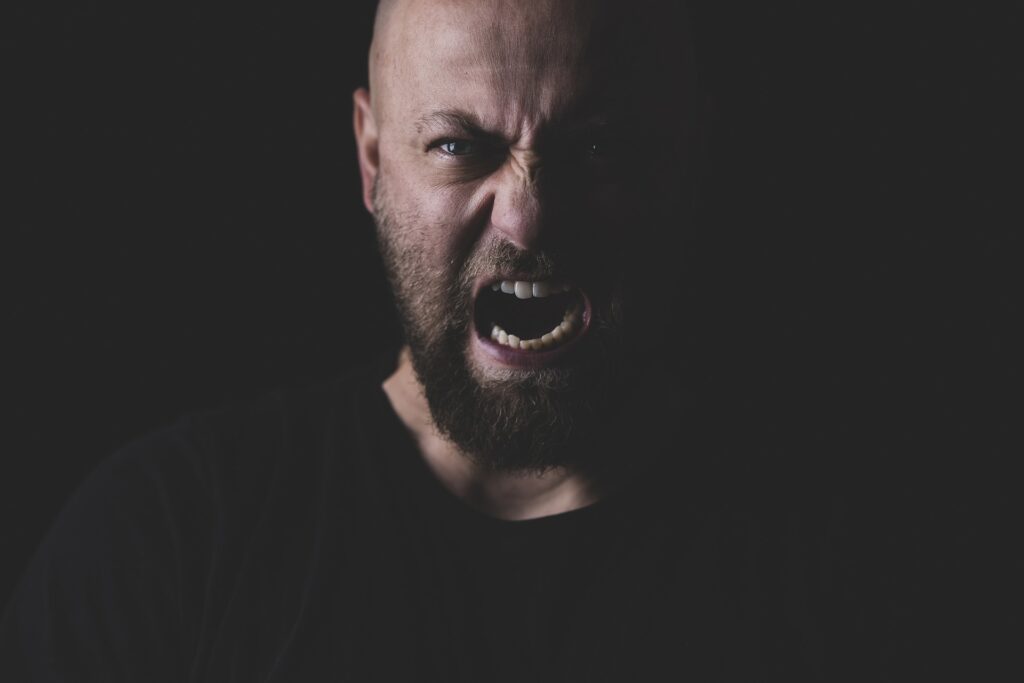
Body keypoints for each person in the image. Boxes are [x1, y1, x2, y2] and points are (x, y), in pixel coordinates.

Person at [1, 1, 874, 680]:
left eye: (599, 146)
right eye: (458, 145)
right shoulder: (167, 544)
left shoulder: (853, 567)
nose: (527, 218)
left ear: (688, 158)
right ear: (372, 160)